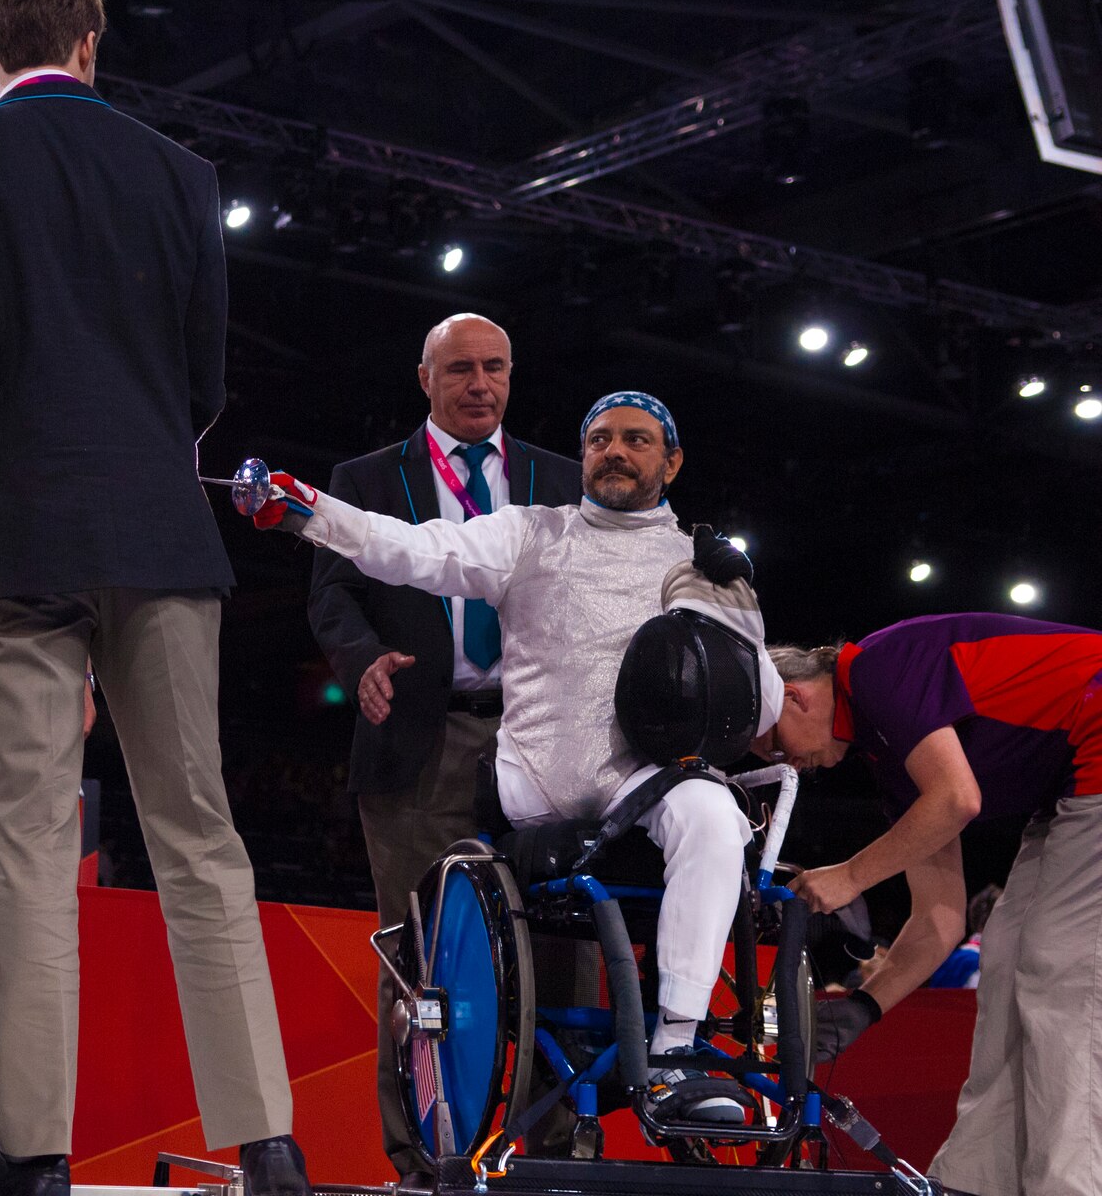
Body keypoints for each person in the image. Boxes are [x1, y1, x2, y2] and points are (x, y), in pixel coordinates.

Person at [0, 0, 309, 1196]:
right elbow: (203, 378)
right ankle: (265, 1139)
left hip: (19, 538)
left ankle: (35, 1152)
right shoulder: (181, 174)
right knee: (198, 832)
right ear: (93, 44)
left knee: (25, 837)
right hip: (161, 530)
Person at [254, 391, 782, 1124]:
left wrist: (737, 608)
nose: (614, 453)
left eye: (635, 440)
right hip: (541, 781)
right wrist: (311, 510)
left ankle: (673, 1051)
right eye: (599, 440)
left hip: (646, 782)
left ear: (673, 460)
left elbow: (764, 705)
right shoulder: (531, 532)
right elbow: (410, 550)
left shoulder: (701, 561)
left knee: (717, 815)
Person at [305, 313, 579, 1175]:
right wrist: (359, 661)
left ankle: (556, 1159)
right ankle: (422, 1161)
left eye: (495, 367)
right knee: (421, 963)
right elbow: (332, 597)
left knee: (557, 956)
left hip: (540, 744)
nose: (479, 385)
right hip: (417, 741)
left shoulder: (561, 480)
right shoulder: (366, 479)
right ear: (424, 378)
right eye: (460, 369)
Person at [761, 615, 1102, 1196]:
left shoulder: (876, 670)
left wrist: (848, 876)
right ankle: (977, 1181)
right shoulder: (888, 762)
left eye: (772, 744)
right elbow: (941, 918)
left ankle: (1073, 1184)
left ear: (793, 698)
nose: (787, 765)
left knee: (1059, 965)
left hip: (1092, 758)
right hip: (1074, 783)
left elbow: (957, 800)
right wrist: (865, 1007)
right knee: (1003, 955)